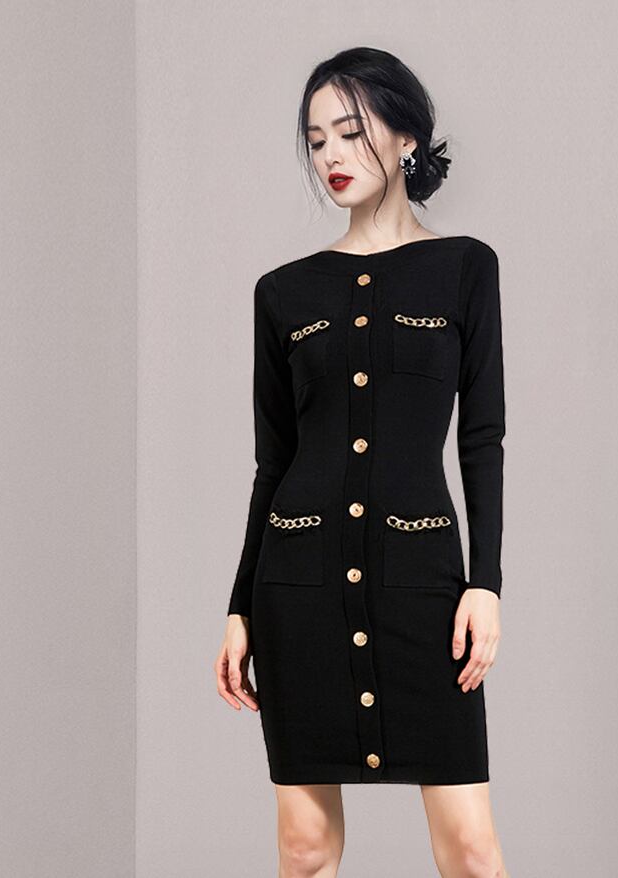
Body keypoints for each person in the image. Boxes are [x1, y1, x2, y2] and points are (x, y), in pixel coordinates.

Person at [215, 46, 509, 878]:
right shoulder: (284, 292)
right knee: (305, 850)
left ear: (407, 135)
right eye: (316, 141)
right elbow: (273, 462)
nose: (332, 156)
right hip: (297, 587)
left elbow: (481, 438)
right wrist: (239, 607)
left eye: (350, 132)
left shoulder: (464, 268)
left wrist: (484, 583)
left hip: (421, 584)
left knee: (471, 851)